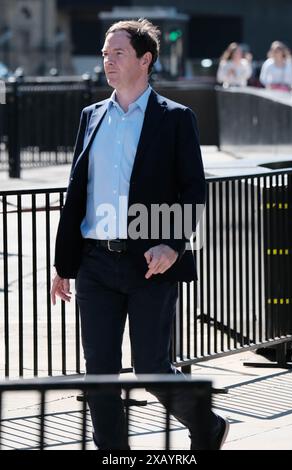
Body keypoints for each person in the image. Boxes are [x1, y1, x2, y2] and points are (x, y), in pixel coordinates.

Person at [51, 18, 229, 450]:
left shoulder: (176, 119)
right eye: (105, 54)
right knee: (99, 372)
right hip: (94, 263)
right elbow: (78, 193)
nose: (107, 61)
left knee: (151, 366)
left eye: (118, 54)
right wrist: (63, 265)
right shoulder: (90, 117)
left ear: (145, 59)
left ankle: (206, 426)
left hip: (150, 262)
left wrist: (172, 244)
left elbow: (193, 189)